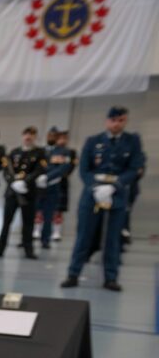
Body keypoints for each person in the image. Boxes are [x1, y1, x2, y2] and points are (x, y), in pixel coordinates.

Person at [61, 106, 145, 291]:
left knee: (113, 239)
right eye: (113, 120)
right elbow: (84, 169)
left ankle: (110, 278)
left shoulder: (132, 142)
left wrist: (114, 186)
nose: (116, 124)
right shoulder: (93, 141)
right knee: (84, 236)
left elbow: (134, 168)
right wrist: (95, 187)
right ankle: (73, 274)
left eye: (121, 120)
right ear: (107, 121)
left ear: (125, 121)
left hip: (117, 196)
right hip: (92, 195)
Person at [0, 126, 46, 259]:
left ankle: (28, 250)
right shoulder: (14, 152)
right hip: (12, 193)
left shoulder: (39, 153)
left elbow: (39, 170)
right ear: (22, 136)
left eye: (31, 135)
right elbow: (6, 171)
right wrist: (13, 183)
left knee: (28, 223)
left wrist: (25, 182)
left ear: (35, 137)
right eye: (26, 134)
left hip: (28, 193)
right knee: (6, 223)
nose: (28, 137)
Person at [35, 128, 75, 250]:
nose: (51, 137)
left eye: (54, 136)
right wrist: (37, 177)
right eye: (49, 135)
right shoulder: (41, 150)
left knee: (49, 214)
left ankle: (45, 239)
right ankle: (30, 237)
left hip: (53, 185)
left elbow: (63, 168)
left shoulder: (64, 152)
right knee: (34, 212)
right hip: (38, 186)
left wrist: (47, 177)